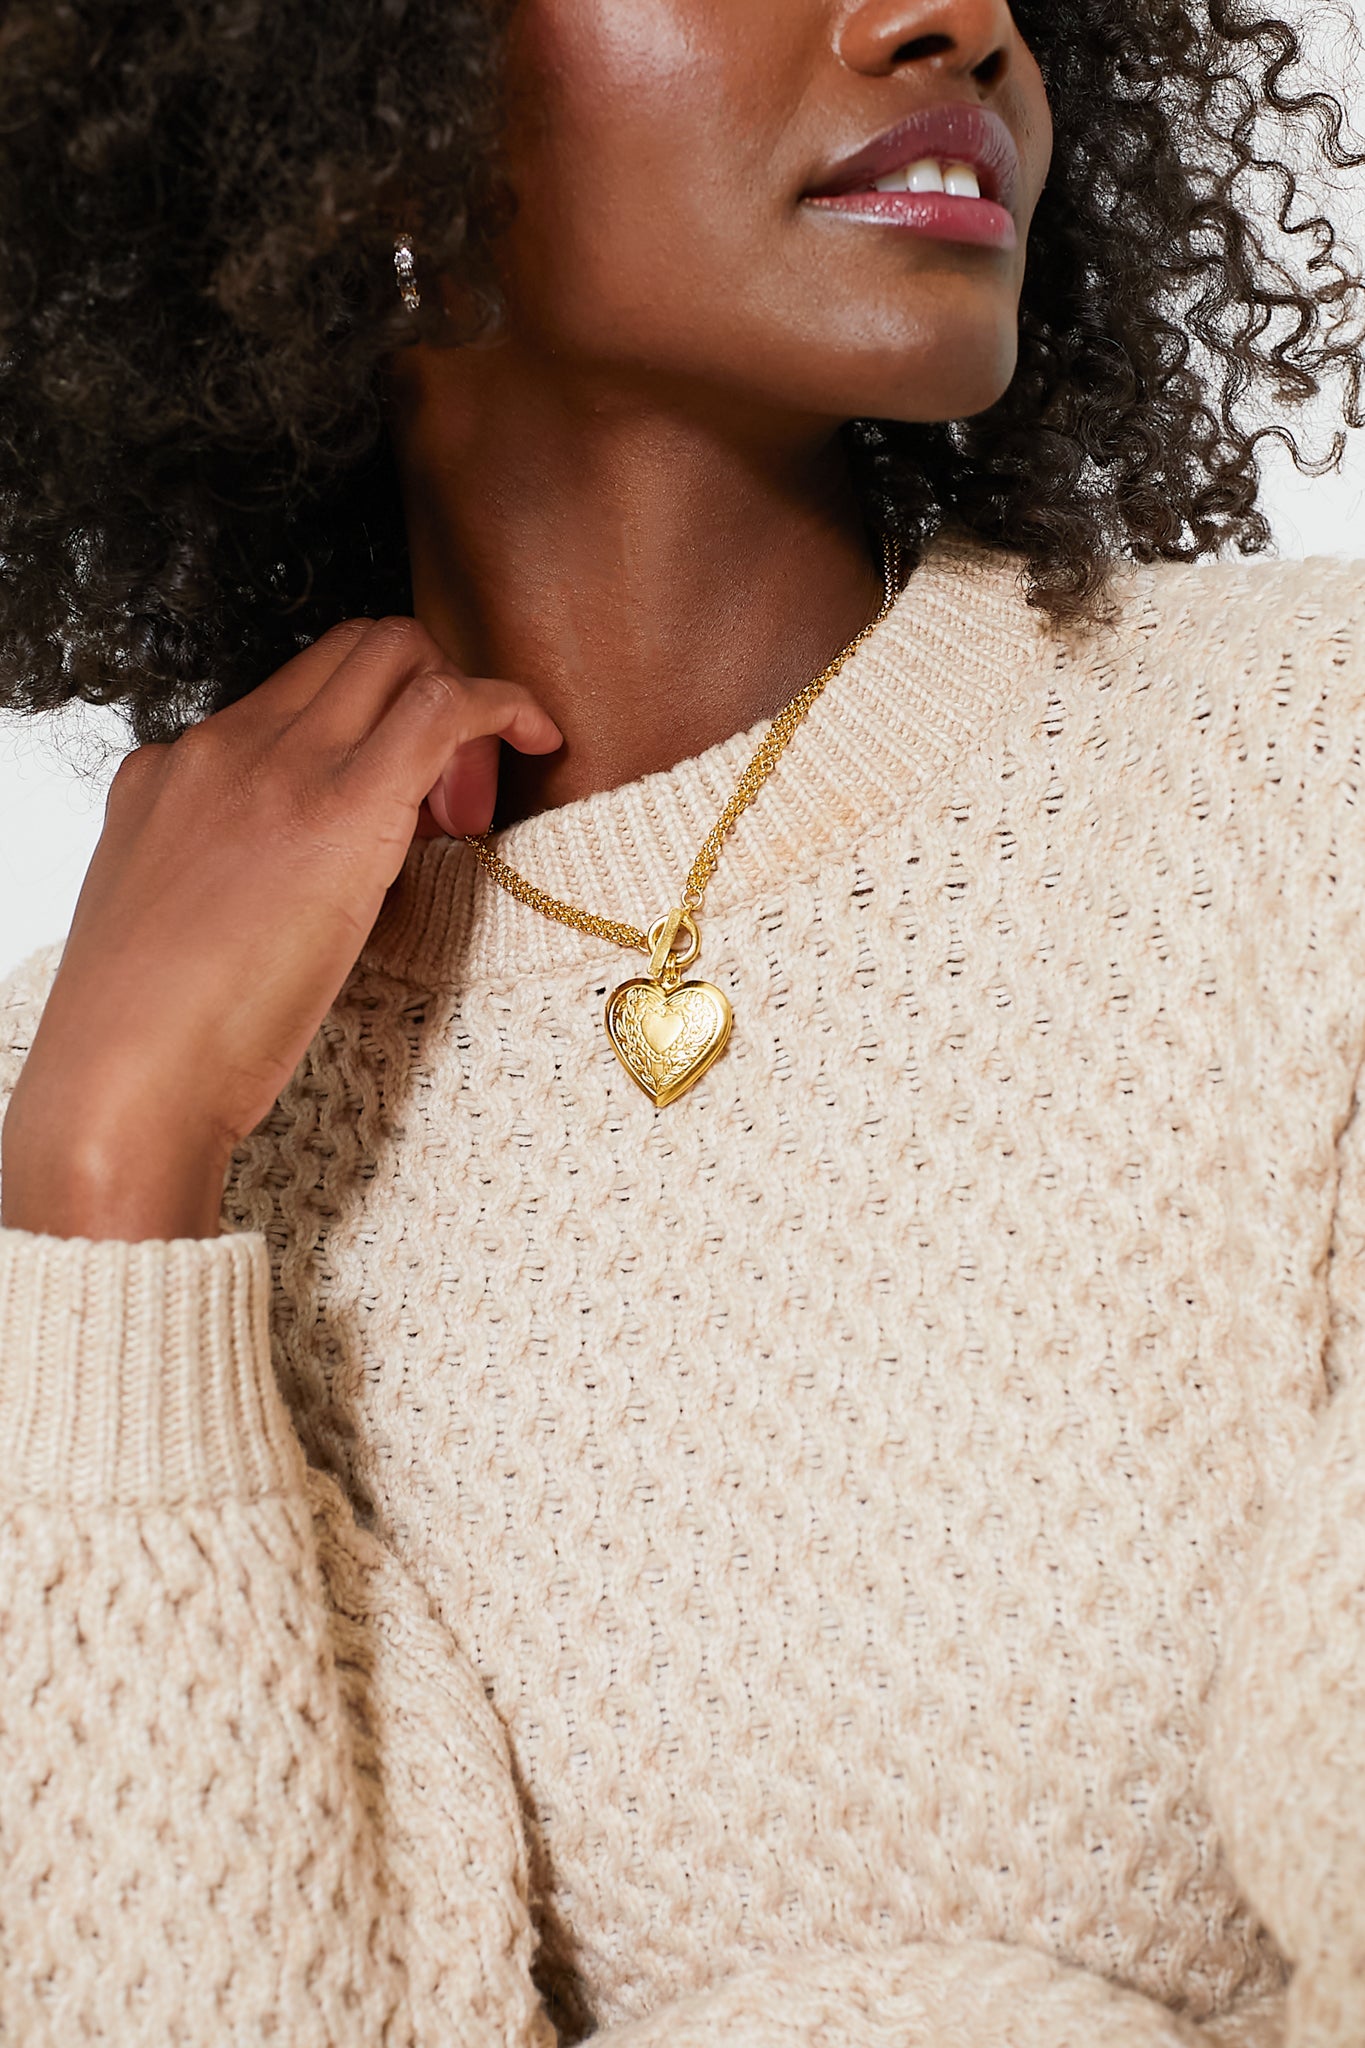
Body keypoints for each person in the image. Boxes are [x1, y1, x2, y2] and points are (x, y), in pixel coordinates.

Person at [0, 0, 1363, 2040]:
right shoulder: (80, 1131)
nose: (950, 17)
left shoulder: (1309, 787)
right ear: (345, 99)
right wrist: (107, 1187)